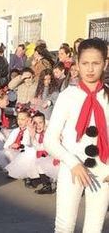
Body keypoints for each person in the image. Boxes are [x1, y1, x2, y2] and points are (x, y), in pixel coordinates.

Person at [44, 38, 109, 232]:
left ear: (105, 63)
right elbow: (50, 139)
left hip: (103, 171)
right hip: (71, 168)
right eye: (85, 63)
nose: (90, 69)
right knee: (64, 225)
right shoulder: (67, 96)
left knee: (94, 228)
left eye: (96, 63)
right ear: (77, 64)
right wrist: (72, 163)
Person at [6, 112, 58, 194]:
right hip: (43, 156)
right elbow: (29, 144)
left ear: (45, 122)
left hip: (54, 157)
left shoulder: (49, 133)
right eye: (35, 123)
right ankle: (46, 185)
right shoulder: (34, 133)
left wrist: (33, 136)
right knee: (37, 161)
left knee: (41, 162)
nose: (38, 125)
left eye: (40, 122)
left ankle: (52, 182)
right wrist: (32, 135)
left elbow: (43, 147)